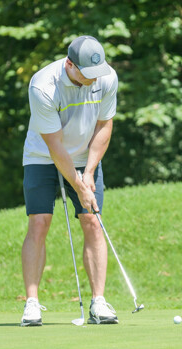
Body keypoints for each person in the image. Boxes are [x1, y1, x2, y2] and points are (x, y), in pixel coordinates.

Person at [20, 35, 118, 327]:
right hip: (42, 155)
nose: (93, 79)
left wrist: (88, 173)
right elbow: (55, 146)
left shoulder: (106, 77)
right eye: (87, 73)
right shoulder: (43, 86)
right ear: (70, 65)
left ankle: (99, 302)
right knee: (39, 222)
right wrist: (77, 185)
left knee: (92, 221)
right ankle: (32, 303)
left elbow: (104, 125)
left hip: (85, 156)